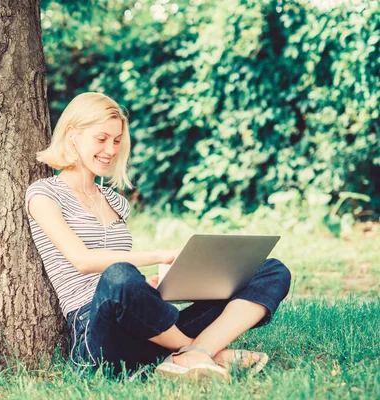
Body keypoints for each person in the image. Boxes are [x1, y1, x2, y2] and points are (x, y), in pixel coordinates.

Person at [25, 92, 291, 381]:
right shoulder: (43, 194)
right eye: (101, 139)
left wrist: (150, 287)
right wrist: (157, 258)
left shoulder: (115, 202)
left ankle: (192, 354)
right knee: (119, 276)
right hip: (96, 333)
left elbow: (126, 281)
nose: (110, 150)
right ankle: (198, 352)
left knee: (270, 270)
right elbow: (82, 260)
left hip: (149, 328)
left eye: (116, 141)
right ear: (72, 135)